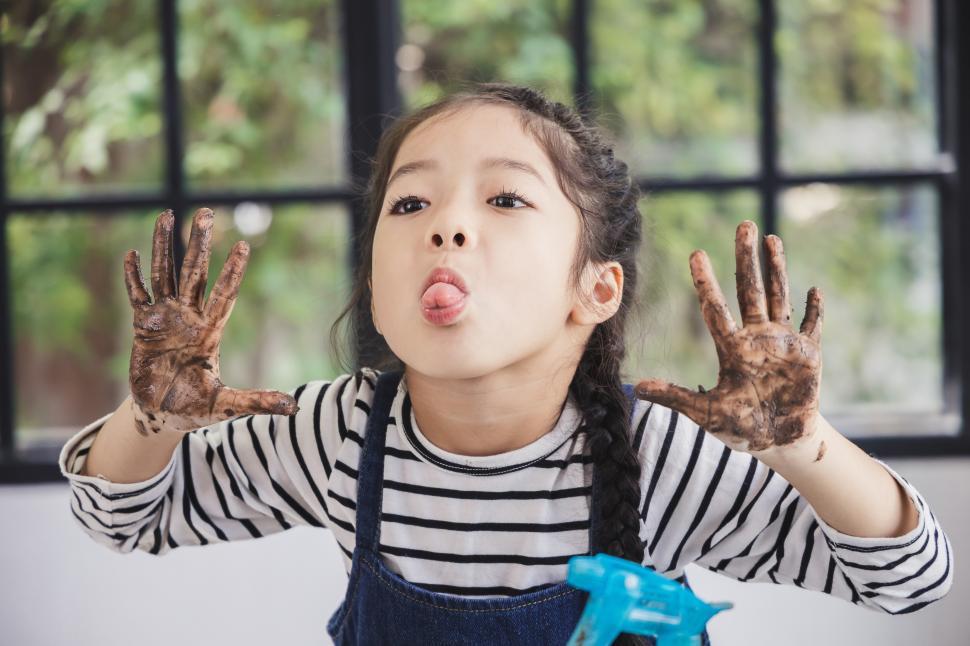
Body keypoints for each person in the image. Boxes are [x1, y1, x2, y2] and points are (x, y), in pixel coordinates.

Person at [59, 82, 953, 646]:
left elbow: (913, 583)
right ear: (375, 282)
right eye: (409, 202)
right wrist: (152, 423)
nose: (446, 224)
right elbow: (125, 518)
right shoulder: (335, 431)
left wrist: (803, 445)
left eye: (505, 197)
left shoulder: (660, 457)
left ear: (595, 289)